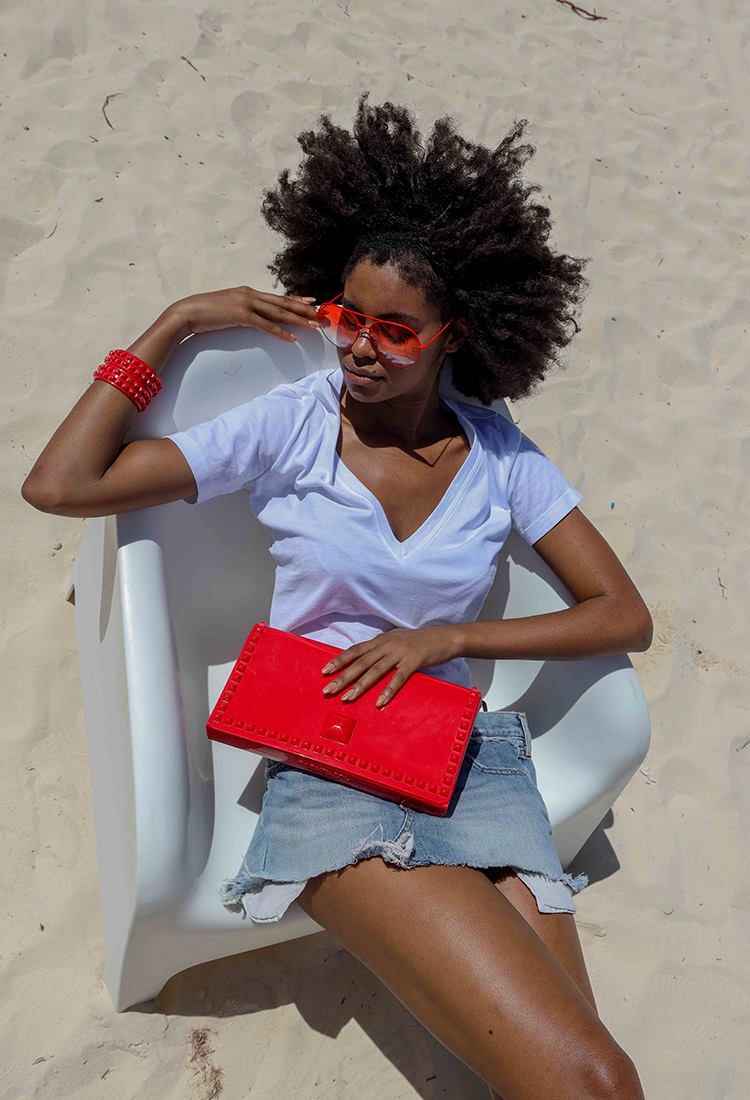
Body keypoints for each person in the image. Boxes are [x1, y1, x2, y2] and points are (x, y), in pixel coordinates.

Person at [22, 92, 650, 1100]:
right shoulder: (289, 424)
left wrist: (445, 633)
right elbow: (62, 484)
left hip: (469, 753)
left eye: (396, 331)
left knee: (581, 1075)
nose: (359, 347)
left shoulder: (496, 452)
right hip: (334, 760)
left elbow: (624, 614)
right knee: (594, 1077)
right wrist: (177, 319)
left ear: (455, 333)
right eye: (347, 317)